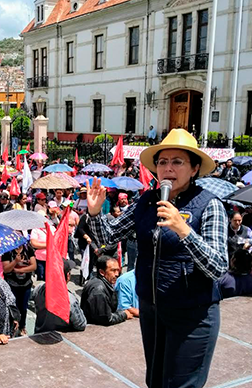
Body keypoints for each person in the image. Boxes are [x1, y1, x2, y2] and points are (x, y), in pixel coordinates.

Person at [86, 128, 228, 388]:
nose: (168, 168)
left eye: (177, 162)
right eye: (162, 162)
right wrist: (94, 215)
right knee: (156, 381)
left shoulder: (210, 205)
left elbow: (218, 267)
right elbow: (107, 236)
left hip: (192, 316)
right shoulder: (146, 202)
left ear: (194, 168)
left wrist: (184, 230)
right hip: (152, 311)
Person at [33, 260, 86, 334]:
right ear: (68, 276)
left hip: (39, 334)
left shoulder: (39, 288)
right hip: (60, 338)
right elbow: (81, 324)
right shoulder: (70, 299)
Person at [81, 256, 133, 326]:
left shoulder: (103, 283)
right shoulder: (98, 290)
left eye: (118, 270)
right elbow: (105, 319)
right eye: (113, 270)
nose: (117, 274)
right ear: (102, 272)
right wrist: (124, 314)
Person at [1, 244, 36, 335]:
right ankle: (12, 327)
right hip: (12, 285)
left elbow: (33, 266)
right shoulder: (7, 251)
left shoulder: (28, 249)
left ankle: (22, 327)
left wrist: (19, 270)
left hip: (26, 284)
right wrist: (15, 261)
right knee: (13, 307)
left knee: (23, 308)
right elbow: (6, 269)